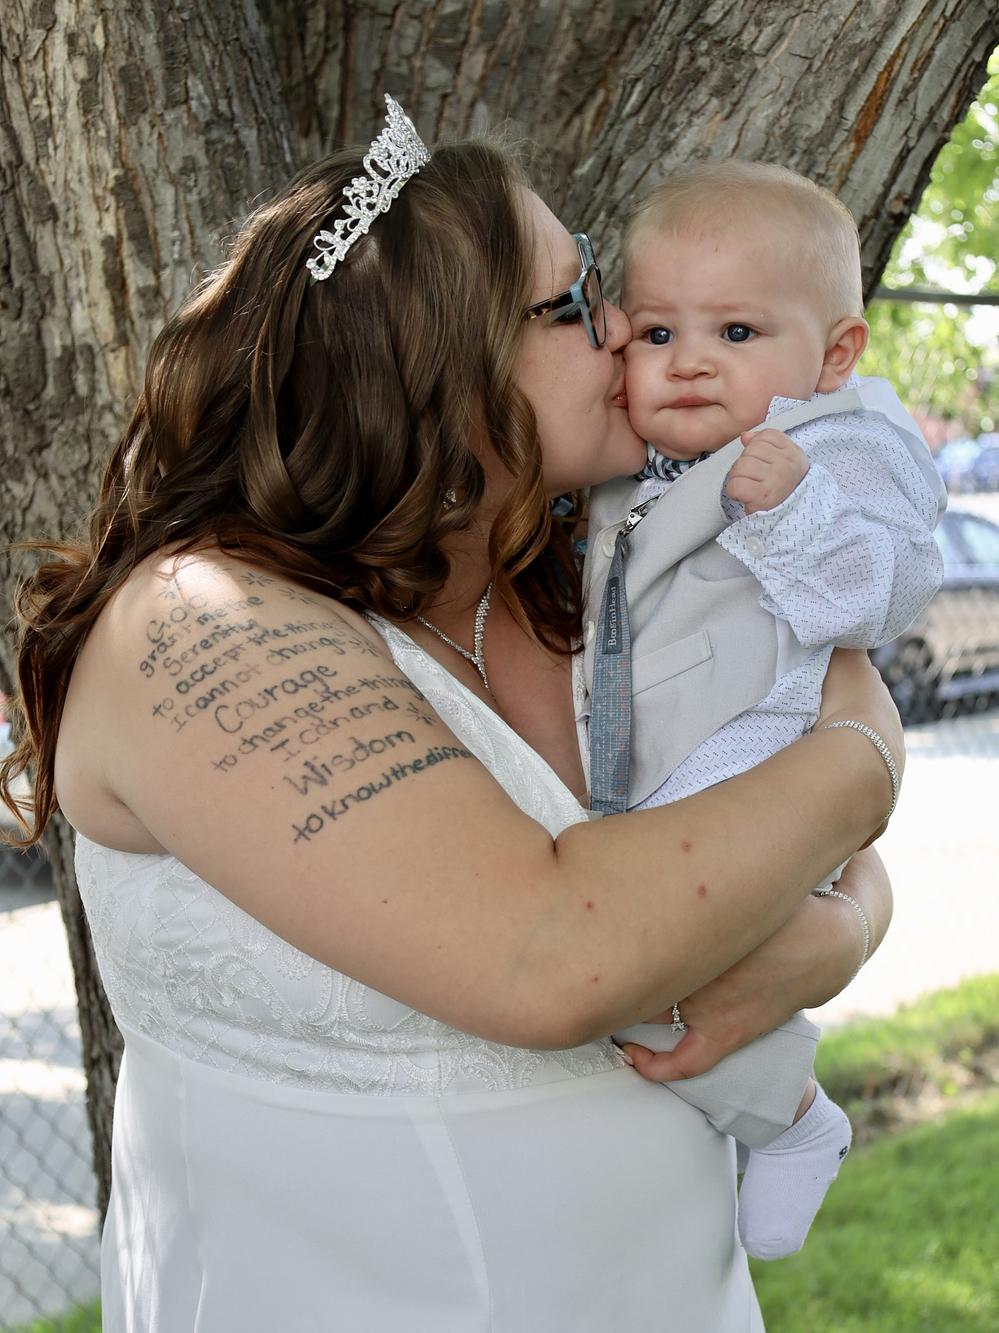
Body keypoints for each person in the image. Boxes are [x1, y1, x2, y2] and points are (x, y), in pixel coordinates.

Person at [2, 99, 901, 1331]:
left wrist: (846, 924)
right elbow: (552, 952)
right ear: (431, 363)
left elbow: (797, 755)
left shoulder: (591, 568)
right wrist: (869, 765)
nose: (626, 330)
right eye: (577, 302)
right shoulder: (197, 625)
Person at [582, 160, 944, 1261]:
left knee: (642, 960)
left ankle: (790, 1118)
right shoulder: (636, 456)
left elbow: (889, 591)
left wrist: (795, 511)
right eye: (657, 333)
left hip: (749, 752)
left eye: (736, 332)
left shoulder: (841, 442)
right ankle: (758, 1117)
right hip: (657, 748)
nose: (689, 360)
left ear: (833, 355)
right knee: (630, 968)